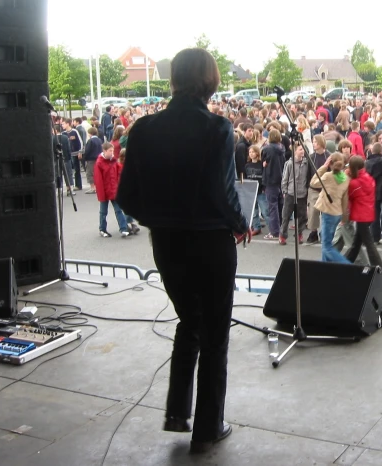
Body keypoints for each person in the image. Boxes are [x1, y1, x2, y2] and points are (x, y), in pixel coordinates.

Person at [117, 48, 251, 454]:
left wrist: (160, 218)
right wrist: (239, 223)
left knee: (187, 321)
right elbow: (224, 190)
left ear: (174, 78)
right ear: (210, 81)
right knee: (214, 334)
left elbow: (127, 197)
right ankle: (208, 427)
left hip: (167, 244)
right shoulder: (217, 128)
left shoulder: (142, 129)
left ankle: (177, 412)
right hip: (210, 242)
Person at [312, 153, 351, 263]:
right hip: (337, 213)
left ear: (330, 163)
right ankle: (325, 267)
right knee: (328, 242)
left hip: (328, 213)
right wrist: (344, 217)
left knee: (327, 246)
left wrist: (324, 166)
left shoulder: (328, 176)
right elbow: (345, 199)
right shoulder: (346, 178)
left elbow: (313, 183)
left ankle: (347, 265)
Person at [95, 143, 130, 238]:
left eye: (112, 150)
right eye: (110, 151)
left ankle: (123, 229)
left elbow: (119, 173)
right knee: (103, 212)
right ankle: (102, 229)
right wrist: (101, 195)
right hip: (105, 191)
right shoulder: (99, 163)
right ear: (105, 151)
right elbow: (98, 180)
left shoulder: (114, 161)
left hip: (114, 190)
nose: (112, 153)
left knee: (119, 210)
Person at [279, 143, 309, 245]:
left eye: (303, 149)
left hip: (302, 193)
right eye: (300, 149)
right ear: (295, 151)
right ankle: (283, 235)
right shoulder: (290, 163)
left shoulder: (306, 163)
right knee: (286, 216)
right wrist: (284, 191)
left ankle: (299, 234)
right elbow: (285, 178)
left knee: (302, 216)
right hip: (291, 193)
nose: (302, 151)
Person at [366, 142, 382, 247]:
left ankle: (375, 237)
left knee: (374, 215)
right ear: (381, 151)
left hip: (373, 191)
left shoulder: (367, 163)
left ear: (372, 151)